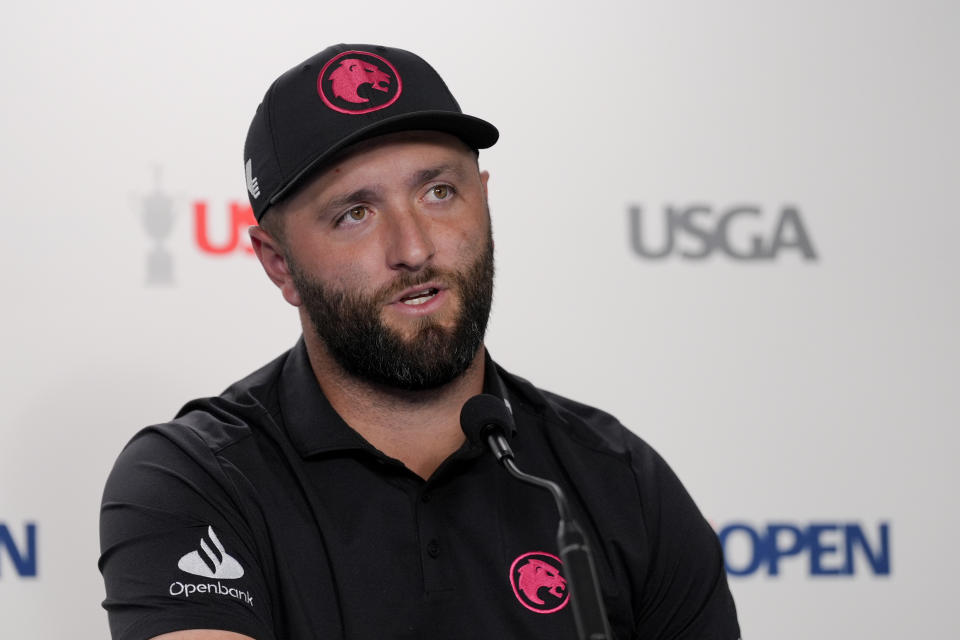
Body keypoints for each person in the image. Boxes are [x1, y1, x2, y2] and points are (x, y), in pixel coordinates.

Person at [99, 43, 740, 640]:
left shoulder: (619, 483)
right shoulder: (195, 478)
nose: (414, 249)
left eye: (439, 192)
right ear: (278, 263)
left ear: (483, 202)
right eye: (355, 212)